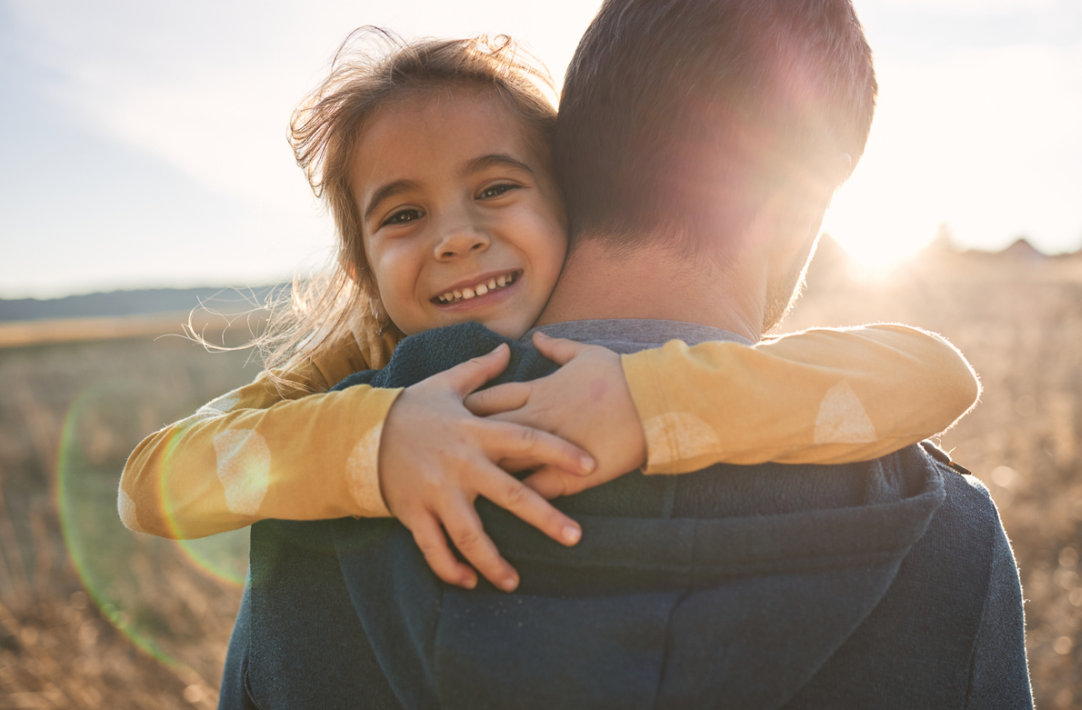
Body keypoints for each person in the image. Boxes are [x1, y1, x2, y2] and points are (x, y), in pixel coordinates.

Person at [215, 0, 1039, 710]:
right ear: (795, 209)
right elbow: (938, 374)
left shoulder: (315, 482)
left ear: (569, 167)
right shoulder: (947, 532)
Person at [118, 34, 980, 594]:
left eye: (496, 188)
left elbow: (937, 376)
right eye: (403, 215)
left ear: (573, 206)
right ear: (363, 270)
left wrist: (650, 404)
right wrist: (378, 441)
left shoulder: (647, 347)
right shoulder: (352, 364)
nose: (456, 237)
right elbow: (150, 488)